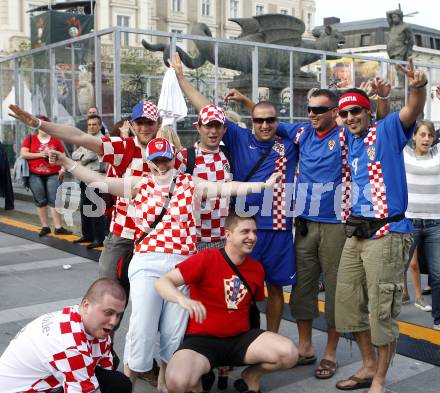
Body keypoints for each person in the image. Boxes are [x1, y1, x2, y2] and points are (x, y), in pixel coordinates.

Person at [45, 136, 281, 391]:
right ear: (148, 161)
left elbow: (227, 188)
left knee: (174, 331)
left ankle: (163, 383)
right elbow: (96, 180)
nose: (161, 165)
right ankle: (128, 382)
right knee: (142, 326)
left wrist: (263, 186)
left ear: (174, 159)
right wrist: (67, 161)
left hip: (182, 264)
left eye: (165, 159)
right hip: (147, 260)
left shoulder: (191, 184)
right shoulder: (139, 184)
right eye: (155, 160)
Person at [225, 79, 391, 379]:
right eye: (309, 109)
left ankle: (329, 352)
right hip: (303, 223)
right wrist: (246, 102)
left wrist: (380, 98)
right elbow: (267, 121)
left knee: (337, 291)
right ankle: (305, 347)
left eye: (318, 110)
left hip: (336, 225)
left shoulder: (344, 135)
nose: (311, 114)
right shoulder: (301, 132)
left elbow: (374, 125)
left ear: (334, 112)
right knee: (302, 288)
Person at [171, 53, 299, 334]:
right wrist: (181, 78)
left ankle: (271, 338)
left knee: (276, 289)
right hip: (241, 227)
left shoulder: (289, 143)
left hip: (277, 229)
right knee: (237, 287)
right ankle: (239, 336)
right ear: (251, 122)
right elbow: (206, 107)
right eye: (259, 121)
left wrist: (245, 101)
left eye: (270, 120)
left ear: (277, 121)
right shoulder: (239, 137)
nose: (265, 125)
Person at [334, 58, 427, 393]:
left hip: (387, 234)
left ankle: (380, 379)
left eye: (355, 112)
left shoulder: (385, 131)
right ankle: (368, 364)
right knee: (346, 304)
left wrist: (417, 88)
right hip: (357, 234)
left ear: (368, 112)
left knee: (382, 313)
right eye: (344, 114)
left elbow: (412, 111)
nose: (349, 118)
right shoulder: (351, 141)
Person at [9, 101, 161, 280]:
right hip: (123, 232)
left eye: (149, 122)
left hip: (156, 235)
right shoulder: (125, 146)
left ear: (158, 123)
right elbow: (80, 137)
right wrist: (40, 124)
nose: (144, 128)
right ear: (132, 124)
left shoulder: (171, 153)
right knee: (107, 288)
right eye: (139, 123)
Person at [155, 214, 299, 393]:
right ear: (228, 234)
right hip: (202, 341)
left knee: (290, 354)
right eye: (245, 231)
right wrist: (183, 300)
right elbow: (162, 282)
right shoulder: (206, 258)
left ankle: (251, 376)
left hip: (240, 340)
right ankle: (198, 381)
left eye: (254, 232)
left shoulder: (256, 268)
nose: (252, 237)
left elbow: (251, 306)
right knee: (177, 381)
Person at [0, 278, 131, 393]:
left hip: (42, 379)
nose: (114, 321)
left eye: (118, 315)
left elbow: (106, 370)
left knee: (117, 381)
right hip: (23, 389)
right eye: (108, 312)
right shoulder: (70, 345)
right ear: (86, 305)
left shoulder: (83, 318)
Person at [404, 120, 440, 328]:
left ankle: (438, 319)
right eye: (423, 135)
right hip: (410, 222)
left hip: (435, 223)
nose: (426, 139)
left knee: (437, 274)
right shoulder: (405, 155)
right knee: (396, 270)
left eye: (430, 135)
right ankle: (387, 316)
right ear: (414, 136)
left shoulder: (437, 155)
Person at [19, 115, 72, 237]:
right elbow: (23, 154)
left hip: (53, 173)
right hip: (34, 174)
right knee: (40, 200)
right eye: (39, 124)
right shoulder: (30, 138)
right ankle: (45, 226)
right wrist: (40, 154)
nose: (42, 127)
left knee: (54, 200)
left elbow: (63, 157)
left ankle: (58, 227)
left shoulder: (55, 140)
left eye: (44, 124)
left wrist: (63, 169)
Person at [72, 114, 108, 249]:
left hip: (96, 178)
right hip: (84, 179)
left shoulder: (101, 140)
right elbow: (75, 154)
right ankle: (87, 235)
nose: (91, 127)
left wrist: (81, 157)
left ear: (99, 126)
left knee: (96, 211)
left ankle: (99, 238)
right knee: (84, 208)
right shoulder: (86, 138)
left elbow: (89, 156)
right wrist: (82, 156)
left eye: (94, 124)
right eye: (89, 125)